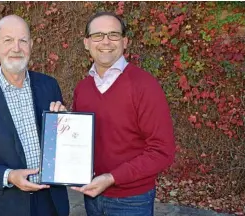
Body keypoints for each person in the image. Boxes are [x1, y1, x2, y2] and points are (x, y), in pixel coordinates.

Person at [50, 11, 175, 216]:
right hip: (92, 195)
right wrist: (64, 122)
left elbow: (162, 151)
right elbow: (87, 138)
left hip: (131, 201)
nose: (106, 41)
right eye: (98, 35)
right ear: (86, 43)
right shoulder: (83, 88)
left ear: (125, 42)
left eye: (113, 35)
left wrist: (112, 178)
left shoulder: (144, 86)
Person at [0, 15, 69, 216]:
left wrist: (66, 124)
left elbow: (62, 143)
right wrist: (9, 176)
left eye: (23, 40)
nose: (16, 48)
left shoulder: (49, 85)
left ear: (31, 45)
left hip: (52, 201)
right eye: (8, 40)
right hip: (7, 204)